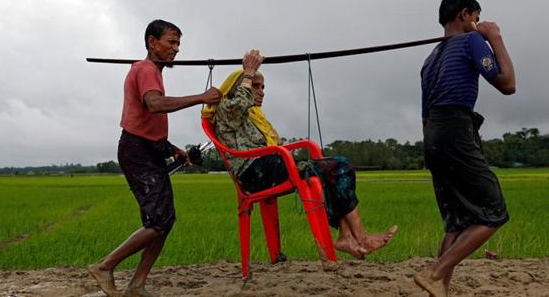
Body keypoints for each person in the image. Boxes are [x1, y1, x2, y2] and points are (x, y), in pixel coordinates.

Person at [201, 49, 398, 261]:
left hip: (270, 165)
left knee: (337, 168)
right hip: (254, 173)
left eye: (262, 87)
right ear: (236, 87)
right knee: (337, 166)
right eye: (255, 86)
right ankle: (360, 237)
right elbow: (240, 105)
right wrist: (249, 72)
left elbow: (270, 141)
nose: (261, 92)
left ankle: (346, 235)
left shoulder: (254, 116)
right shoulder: (225, 108)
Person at [89, 19, 222, 297]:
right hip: (136, 151)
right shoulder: (146, 69)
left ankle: (137, 284)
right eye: (171, 42)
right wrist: (202, 97)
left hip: (148, 148)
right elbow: (155, 105)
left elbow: (147, 122)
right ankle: (105, 266)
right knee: (159, 221)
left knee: (162, 221)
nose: (176, 49)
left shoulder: (152, 71)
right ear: (152, 42)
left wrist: (172, 149)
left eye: (178, 44)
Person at [414, 0, 516, 297]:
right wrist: (494, 37)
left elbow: (425, 119)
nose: (479, 23)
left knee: (455, 222)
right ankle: (435, 274)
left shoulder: (429, 59)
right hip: (456, 129)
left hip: (433, 136)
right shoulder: (472, 41)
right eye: (476, 17)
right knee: (494, 211)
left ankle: (439, 288)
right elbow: (508, 84)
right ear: (463, 15)